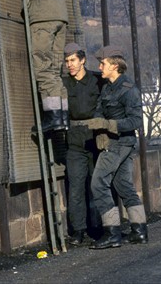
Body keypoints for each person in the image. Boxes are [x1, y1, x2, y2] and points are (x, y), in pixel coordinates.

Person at [81, 45, 148, 249]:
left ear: (115, 65)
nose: (100, 67)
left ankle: (112, 233)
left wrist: (109, 126)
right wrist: (100, 125)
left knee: (98, 183)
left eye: (103, 63)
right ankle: (139, 231)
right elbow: (100, 110)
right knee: (123, 185)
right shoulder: (108, 86)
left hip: (120, 142)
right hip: (115, 141)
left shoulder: (128, 89)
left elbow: (136, 121)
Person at [15, 0, 70, 132]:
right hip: (59, 15)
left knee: (42, 66)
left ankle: (53, 117)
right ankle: (62, 116)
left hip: (44, 17)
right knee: (55, 69)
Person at [63, 42, 104, 245]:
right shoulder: (63, 84)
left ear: (83, 60)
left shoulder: (97, 80)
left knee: (98, 184)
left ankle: (100, 226)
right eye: (67, 61)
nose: (69, 65)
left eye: (73, 60)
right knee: (76, 186)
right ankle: (78, 230)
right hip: (74, 139)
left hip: (95, 137)